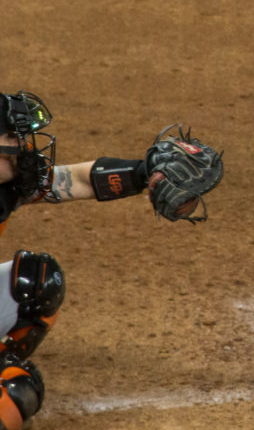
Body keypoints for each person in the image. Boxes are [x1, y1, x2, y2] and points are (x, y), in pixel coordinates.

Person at [0, 89, 221, 426]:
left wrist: (146, 172)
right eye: (14, 142)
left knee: (38, 282)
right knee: (13, 393)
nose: (27, 149)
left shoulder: (7, 184)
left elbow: (73, 179)